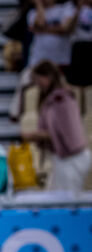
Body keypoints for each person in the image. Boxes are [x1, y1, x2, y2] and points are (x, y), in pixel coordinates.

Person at [22, 59, 91, 194]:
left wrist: (35, 135)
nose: (37, 84)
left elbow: (64, 132)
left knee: (67, 201)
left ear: (47, 77)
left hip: (72, 158)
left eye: (38, 79)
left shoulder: (62, 100)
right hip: (64, 158)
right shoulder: (55, 99)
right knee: (58, 197)